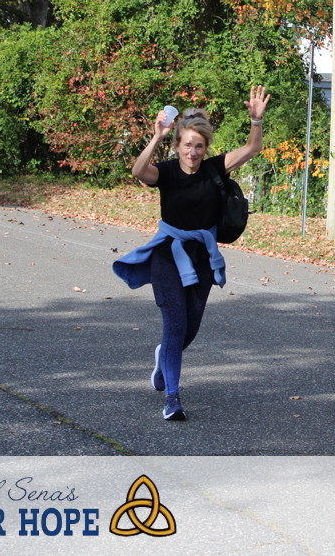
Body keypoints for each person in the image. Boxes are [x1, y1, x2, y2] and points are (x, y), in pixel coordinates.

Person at [112, 86, 269, 421]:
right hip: (168, 257)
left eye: (199, 146)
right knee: (175, 325)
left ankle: (163, 359)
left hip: (202, 259)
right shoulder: (167, 172)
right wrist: (157, 136)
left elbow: (253, 148)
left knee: (189, 330)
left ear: (205, 147)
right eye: (187, 145)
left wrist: (256, 121)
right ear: (178, 145)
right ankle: (172, 397)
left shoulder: (215, 168)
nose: (193, 152)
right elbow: (138, 172)